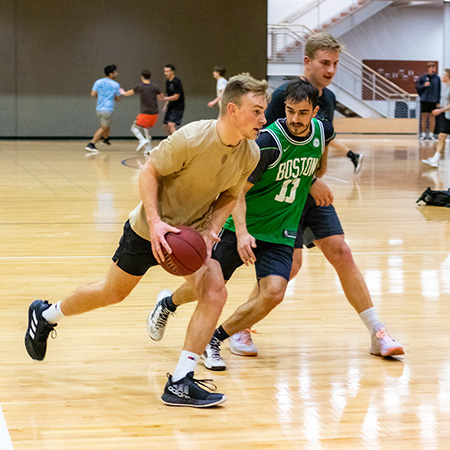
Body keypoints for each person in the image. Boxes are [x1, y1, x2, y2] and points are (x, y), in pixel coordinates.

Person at [24, 73, 269, 408]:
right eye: (256, 111)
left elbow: (230, 194)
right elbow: (149, 172)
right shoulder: (192, 137)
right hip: (147, 230)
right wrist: (155, 223)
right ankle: (46, 315)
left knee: (215, 290)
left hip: (190, 236)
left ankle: (181, 381)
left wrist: (212, 229)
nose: (263, 119)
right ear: (232, 110)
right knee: (112, 293)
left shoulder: (250, 154)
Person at [148, 80, 404, 370]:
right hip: (241, 226)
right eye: (291, 111)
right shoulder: (268, 142)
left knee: (273, 292)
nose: (296, 119)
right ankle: (168, 303)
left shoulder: (323, 131)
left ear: (315, 112)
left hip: (281, 228)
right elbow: (236, 191)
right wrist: (242, 233)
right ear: (284, 108)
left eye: (303, 113)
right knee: (205, 288)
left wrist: (314, 181)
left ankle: (215, 339)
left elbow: (318, 163)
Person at [265, 33, 364, 175]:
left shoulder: (330, 97)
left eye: (335, 64)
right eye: (325, 63)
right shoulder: (283, 94)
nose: (331, 70)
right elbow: (264, 142)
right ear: (307, 62)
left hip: (307, 178)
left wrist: (323, 164)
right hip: (278, 178)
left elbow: (325, 135)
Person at [120, 70, 165, 153]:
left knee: (134, 128)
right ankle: (148, 149)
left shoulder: (140, 87)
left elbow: (129, 93)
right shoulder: (155, 87)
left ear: (142, 77)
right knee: (146, 129)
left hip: (145, 112)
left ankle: (142, 140)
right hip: (155, 113)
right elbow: (162, 97)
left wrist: (123, 92)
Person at [85, 65, 122, 152]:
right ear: (111, 73)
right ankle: (92, 143)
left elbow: (93, 94)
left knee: (105, 124)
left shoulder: (98, 82)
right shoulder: (115, 85)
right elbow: (118, 98)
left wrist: (101, 96)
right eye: (115, 72)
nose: (117, 73)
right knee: (104, 128)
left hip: (99, 107)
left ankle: (106, 139)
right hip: (108, 108)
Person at [422, 68, 450, 167]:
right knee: (441, 136)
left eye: (444, 75)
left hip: (446, 114)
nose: (442, 76)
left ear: (448, 77)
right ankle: (435, 159)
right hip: (448, 117)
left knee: (442, 136)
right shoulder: (446, 87)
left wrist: (440, 110)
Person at [416, 62, 441, 141]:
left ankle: (431, 134)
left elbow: (439, 90)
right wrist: (424, 85)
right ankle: (423, 134)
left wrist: (438, 101)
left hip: (433, 100)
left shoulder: (437, 78)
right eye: (431, 67)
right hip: (424, 99)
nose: (433, 69)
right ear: (428, 68)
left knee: (432, 117)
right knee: (423, 117)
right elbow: (418, 87)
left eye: (434, 67)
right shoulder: (423, 77)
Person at [162, 64, 185, 136]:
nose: (165, 73)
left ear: (172, 72)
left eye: (167, 71)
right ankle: (170, 140)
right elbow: (168, 95)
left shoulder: (176, 82)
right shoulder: (167, 82)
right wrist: (166, 105)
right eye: (165, 71)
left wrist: (164, 98)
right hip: (171, 106)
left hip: (178, 106)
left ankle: (177, 142)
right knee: (165, 125)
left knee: (171, 124)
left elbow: (176, 96)